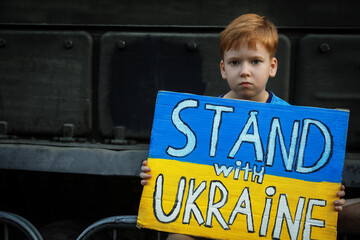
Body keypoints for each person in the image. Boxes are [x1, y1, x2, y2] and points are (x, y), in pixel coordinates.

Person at [140, 13, 346, 240]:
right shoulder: (202, 117)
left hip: (262, 223)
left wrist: (327, 194)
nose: (245, 71)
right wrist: (156, 173)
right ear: (223, 68)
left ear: (272, 66)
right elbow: (180, 171)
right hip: (210, 218)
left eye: (255, 61)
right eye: (235, 62)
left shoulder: (289, 119)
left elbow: (304, 177)